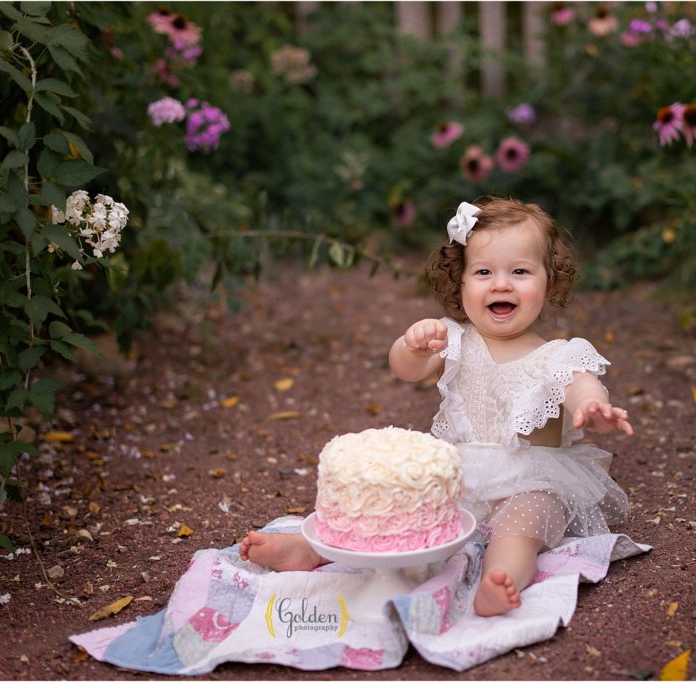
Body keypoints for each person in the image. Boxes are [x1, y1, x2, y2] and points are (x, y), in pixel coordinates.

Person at [240, 197, 633, 618]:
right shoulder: (454, 339)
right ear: (460, 284)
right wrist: (411, 345)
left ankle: (499, 580)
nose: (501, 284)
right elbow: (406, 369)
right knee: (398, 509)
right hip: (460, 472)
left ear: (549, 283)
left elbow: (580, 383)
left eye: (520, 271)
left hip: (534, 477)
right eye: (483, 272)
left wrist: (592, 405)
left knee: (522, 526)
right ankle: (310, 549)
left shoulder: (559, 354)